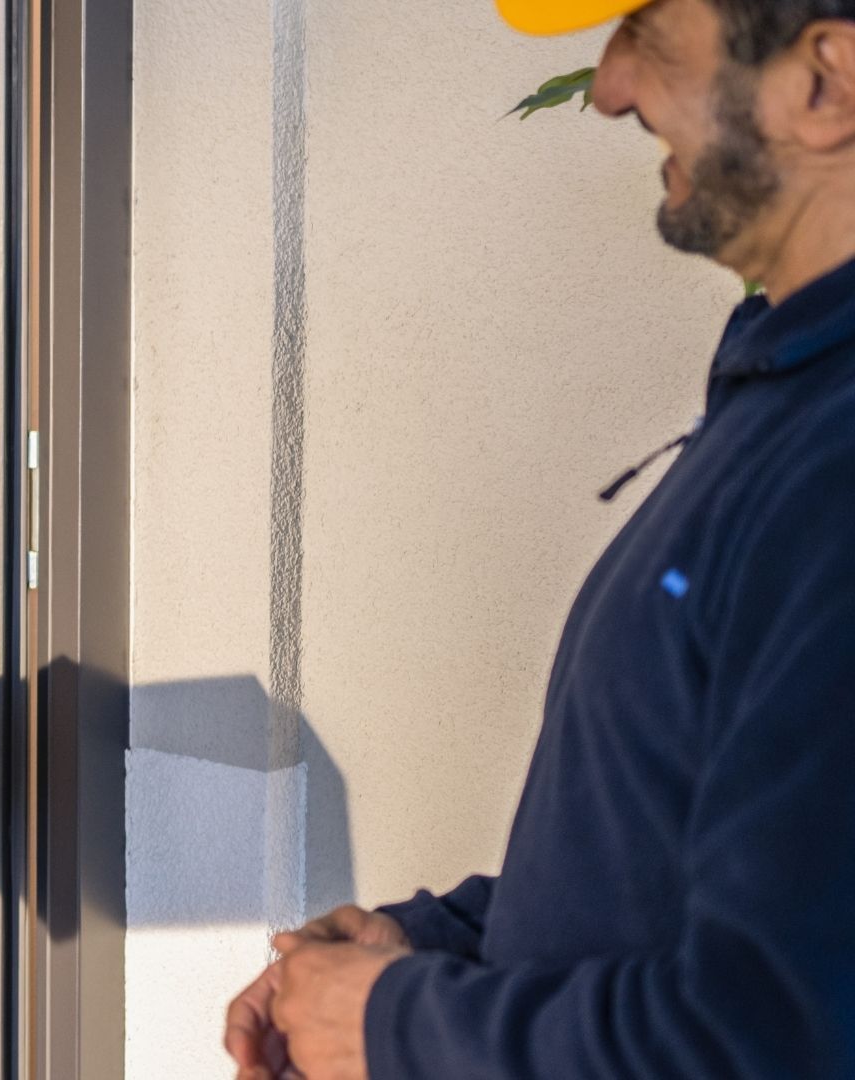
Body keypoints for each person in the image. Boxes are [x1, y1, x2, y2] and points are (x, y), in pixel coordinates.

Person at [225, 0, 855, 1076]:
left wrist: (402, 1025)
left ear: (827, 80)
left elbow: (774, 1035)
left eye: (647, 33)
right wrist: (443, 947)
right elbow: (700, 853)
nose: (609, 90)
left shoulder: (834, 460)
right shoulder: (783, 392)